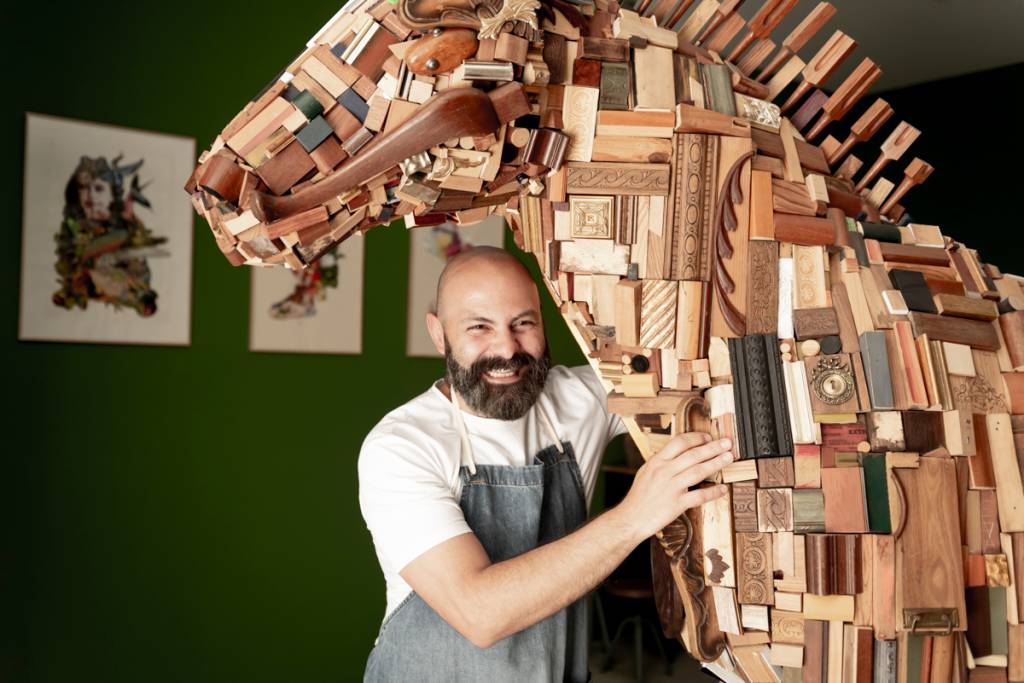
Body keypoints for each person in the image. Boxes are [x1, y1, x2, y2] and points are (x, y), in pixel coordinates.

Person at [358, 246, 733, 682]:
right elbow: (480, 613)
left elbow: (683, 365)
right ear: (439, 334)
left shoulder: (579, 399)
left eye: (523, 323)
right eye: (479, 327)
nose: (507, 348)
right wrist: (636, 516)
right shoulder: (402, 446)